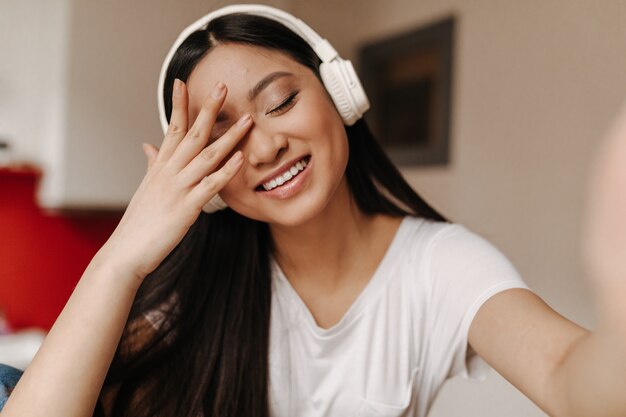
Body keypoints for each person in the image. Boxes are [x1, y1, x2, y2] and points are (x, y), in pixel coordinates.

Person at [1, 4, 626, 417]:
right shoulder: (196, 289)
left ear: (340, 91)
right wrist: (122, 260)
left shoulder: (438, 266)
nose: (266, 146)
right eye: (226, 135)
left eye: (279, 102)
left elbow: (571, 378)